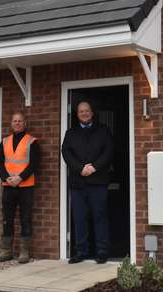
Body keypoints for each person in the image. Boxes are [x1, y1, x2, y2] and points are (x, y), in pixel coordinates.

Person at [61, 101, 113, 264]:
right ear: (77, 114)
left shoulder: (103, 130)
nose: (84, 113)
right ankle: (80, 252)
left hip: (98, 182)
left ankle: (102, 251)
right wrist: (80, 168)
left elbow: (109, 151)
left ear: (92, 112)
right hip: (78, 183)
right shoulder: (71, 133)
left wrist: (95, 167)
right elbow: (66, 153)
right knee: (79, 218)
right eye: (81, 111)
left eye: (87, 111)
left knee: (100, 217)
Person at [0, 112, 40, 264]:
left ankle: (24, 252)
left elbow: (34, 163)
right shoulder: (5, 141)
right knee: (7, 218)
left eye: (20, 121)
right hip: (8, 185)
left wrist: (20, 178)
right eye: (15, 121)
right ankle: (6, 250)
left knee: (25, 217)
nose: (18, 123)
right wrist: (7, 177)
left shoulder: (32, 141)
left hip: (26, 186)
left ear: (24, 123)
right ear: (11, 123)